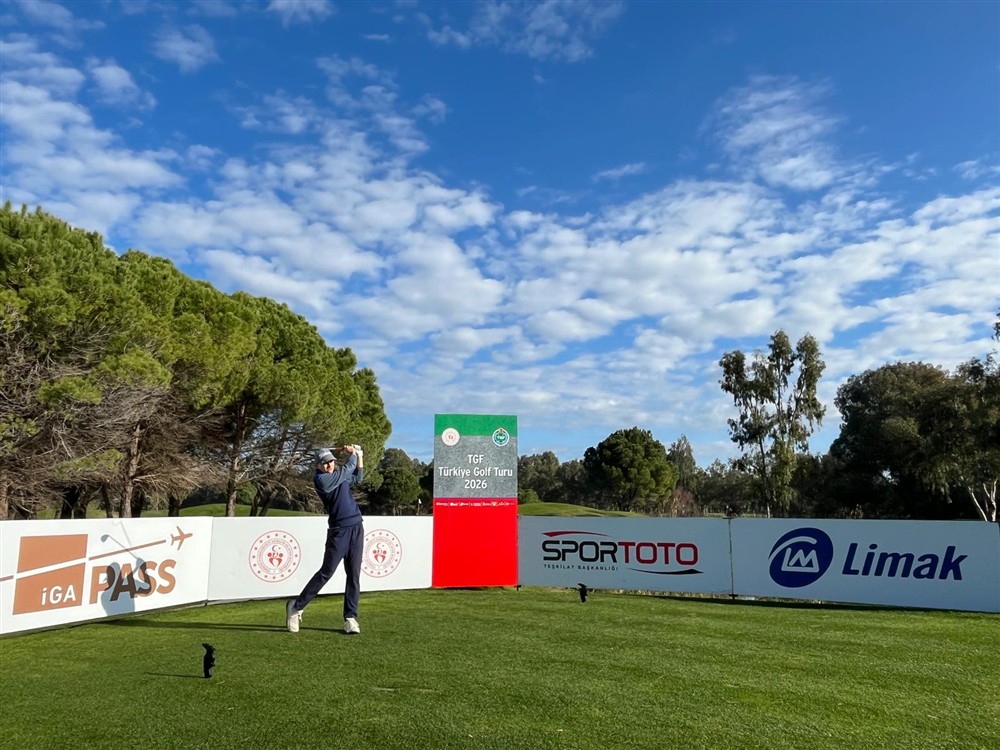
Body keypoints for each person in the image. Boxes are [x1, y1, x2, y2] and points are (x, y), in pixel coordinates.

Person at [286, 444, 365, 635]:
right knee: (326, 573)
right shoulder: (321, 480)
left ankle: (350, 618)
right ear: (317, 466)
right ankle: (296, 607)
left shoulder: (339, 475)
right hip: (339, 531)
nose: (329, 465)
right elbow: (348, 468)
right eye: (325, 463)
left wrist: (360, 456)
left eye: (331, 461)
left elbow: (358, 478)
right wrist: (353, 454)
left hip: (356, 526)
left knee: (354, 574)